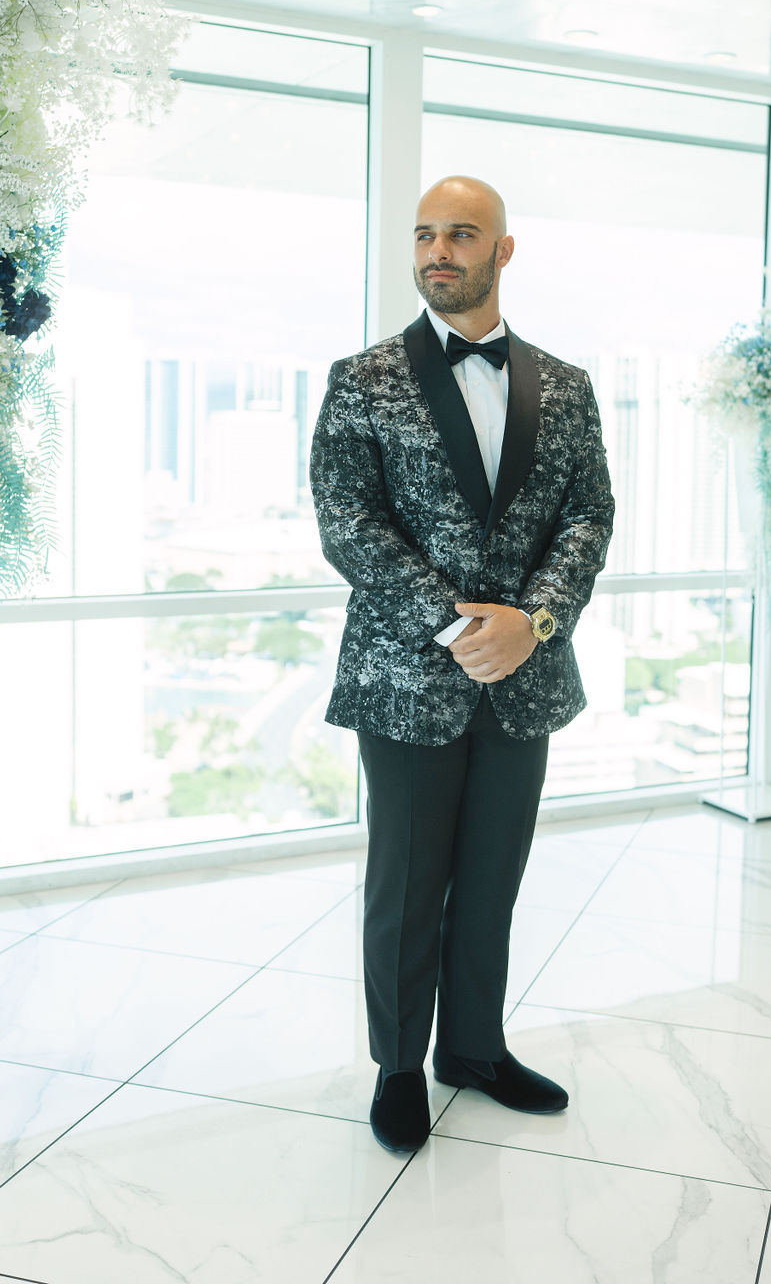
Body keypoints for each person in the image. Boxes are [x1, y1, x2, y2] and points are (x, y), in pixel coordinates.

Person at [310, 175, 614, 1154]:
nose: (438, 250)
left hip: (525, 680)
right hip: (405, 679)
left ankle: (473, 1051)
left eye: (462, 234)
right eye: (425, 235)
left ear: (502, 252)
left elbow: (588, 516)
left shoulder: (565, 386)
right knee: (406, 883)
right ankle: (401, 1066)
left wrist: (535, 620)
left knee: (492, 877)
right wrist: (456, 625)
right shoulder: (361, 379)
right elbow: (347, 521)